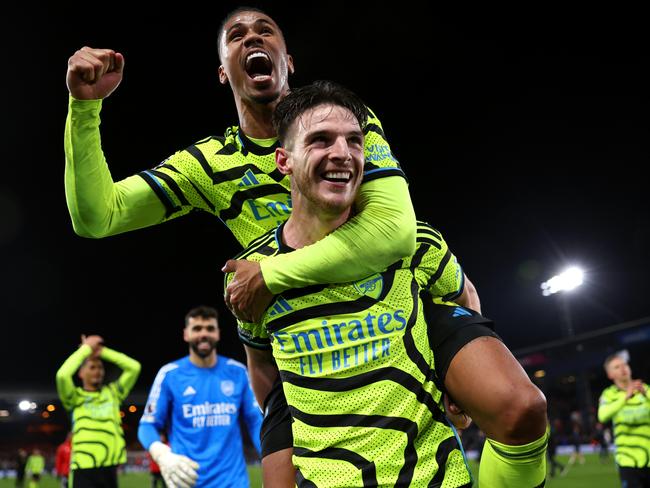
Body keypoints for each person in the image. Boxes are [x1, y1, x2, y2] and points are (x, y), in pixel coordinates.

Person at [226, 80, 548, 487]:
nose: (342, 153)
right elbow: (262, 368)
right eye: (321, 140)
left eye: (354, 141)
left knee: (524, 409)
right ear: (283, 161)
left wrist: (457, 376)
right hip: (326, 476)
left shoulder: (414, 241)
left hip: (433, 477)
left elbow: (463, 298)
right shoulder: (253, 271)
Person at [138, 306, 263, 487]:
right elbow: (148, 425)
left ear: (218, 334)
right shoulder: (169, 375)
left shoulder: (237, 372)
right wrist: (161, 453)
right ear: (186, 334)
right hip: (188, 481)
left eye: (210, 328)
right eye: (197, 328)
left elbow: (255, 422)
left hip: (233, 483)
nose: (204, 334)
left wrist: (269, 457)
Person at [55, 335, 141, 488]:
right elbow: (62, 375)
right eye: (92, 367)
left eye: (100, 367)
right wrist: (86, 349)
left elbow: (134, 367)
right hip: (83, 467)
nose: (98, 371)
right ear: (81, 373)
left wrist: (102, 352)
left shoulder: (113, 394)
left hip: (110, 466)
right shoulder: (74, 397)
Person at [598, 352, 650, 487]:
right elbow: (603, 416)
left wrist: (646, 395)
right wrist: (625, 397)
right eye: (616, 367)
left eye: (624, 365)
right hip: (627, 461)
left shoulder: (645, 389)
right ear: (610, 375)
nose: (623, 368)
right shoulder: (608, 394)